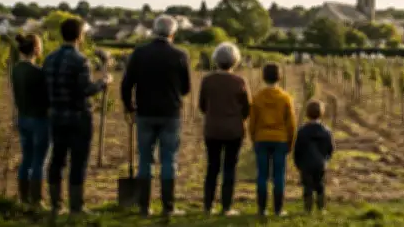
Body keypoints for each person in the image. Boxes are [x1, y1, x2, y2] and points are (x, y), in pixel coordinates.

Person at [120, 15, 191, 217]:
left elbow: (126, 84)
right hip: (170, 113)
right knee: (169, 159)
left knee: (145, 159)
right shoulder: (180, 55)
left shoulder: (139, 53)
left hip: (145, 113)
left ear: (153, 30)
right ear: (173, 33)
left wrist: (129, 107)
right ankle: (168, 207)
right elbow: (186, 88)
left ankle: (144, 207)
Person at [43, 18, 112, 216]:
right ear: (80, 36)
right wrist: (103, 82)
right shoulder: (80, 61)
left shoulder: (49, 58)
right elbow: (86, 89)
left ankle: (56, 205)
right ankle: (76, 206)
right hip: (78, 117)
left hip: (56, 115)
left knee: (57, 159)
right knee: (78, 161)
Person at [198, 42, 250, 216]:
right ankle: (226, 207)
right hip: (234, 130)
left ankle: (208, 205)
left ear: (216, 60)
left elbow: (202, 105)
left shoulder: (207, 80)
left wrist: (213, 114)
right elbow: (246, 107)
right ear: (235, 61)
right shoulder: (239, 81)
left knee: (212, 167)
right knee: (230, 168)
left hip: (212, 129)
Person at [249, 63, 296, 217]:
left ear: (263, 77)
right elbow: (291, 123)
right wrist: (290, 142)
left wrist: (253, 138)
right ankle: (278, 209)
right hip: (280, 139)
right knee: (279, 175)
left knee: (262, 175)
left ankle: (261, 209)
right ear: (279, 77)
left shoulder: (257, 97)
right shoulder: (285, 98)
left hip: (261, 138)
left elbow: (252, 122)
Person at [10, 34, 49, 207]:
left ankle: (23, 197)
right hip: (39, 119)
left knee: (26, 158)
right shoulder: (38, 73)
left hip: (23, 117)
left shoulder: (15, 69)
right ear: (35, 49)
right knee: (39, 160)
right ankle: (37, 199)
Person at [293, 100, 335, 214]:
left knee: (307, 186)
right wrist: (326, 159)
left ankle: (308, 209)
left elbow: (297, 148)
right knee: (320, 184)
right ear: (321, 113)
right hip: (320, 163)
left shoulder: (302, 131)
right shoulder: (326, 131)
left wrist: (298, 163)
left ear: (307, 113)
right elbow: (331, 148)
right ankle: (321, 208)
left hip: (305, 163)